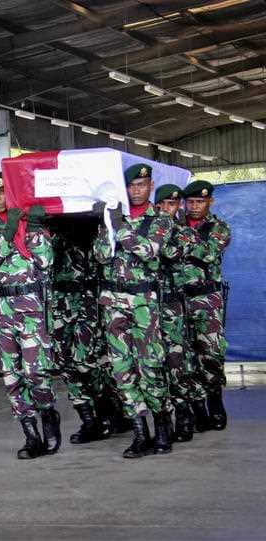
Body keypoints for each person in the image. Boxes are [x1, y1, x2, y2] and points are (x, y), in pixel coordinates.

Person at [0, 173, 62, 460]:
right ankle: (30, 434)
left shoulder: (33, 226)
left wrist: (32, 228)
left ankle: (48, 416)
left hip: (31, 306)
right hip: (3, 307)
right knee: (12, 376)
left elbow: (46, 260)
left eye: (3, 191)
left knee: (36, 371)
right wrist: (7, 236)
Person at [93, 164, 173, 458]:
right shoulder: (113, 219)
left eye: (142, 185)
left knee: (150, 367)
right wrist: (106, 224)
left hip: (143, 305)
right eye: (131, 186)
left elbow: (148, 250)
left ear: (151, 186)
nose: (136, 190)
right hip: (114, 303)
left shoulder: (160, 221)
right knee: (121, 370)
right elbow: (101, 256)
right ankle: (141, 432)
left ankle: (163, 425)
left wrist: (118, 224)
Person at [50, 222, 111, 444]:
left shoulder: (96, 229)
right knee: (65, 364)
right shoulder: (51, 233)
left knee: (87, 361)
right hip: (60, 303)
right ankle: (88, 420)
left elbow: (105, 257)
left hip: (88, 302)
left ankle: (107, 411)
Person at [156, 184, 207, 442]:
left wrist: (161, 230)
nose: (167, 209)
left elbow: (168, 252)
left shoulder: (184, 233)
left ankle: (185, 417)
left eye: (172, 204)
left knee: (178, 364)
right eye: (163, 204)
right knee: (155, 365)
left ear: (179, 207)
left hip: (174, 307)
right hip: (149, 306)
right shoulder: (145, 230)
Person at [181, 180, 231, 431]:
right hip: (179, 300)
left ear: (209, 201)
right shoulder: (174, 225)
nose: (194, 206)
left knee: (210, 354)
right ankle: (198, 408)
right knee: (185, 356)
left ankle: (216, 402)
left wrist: (183, 242)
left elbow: (209, 253)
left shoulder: (219, 227)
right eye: (190, 202)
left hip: (207, 300)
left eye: (199, 202)